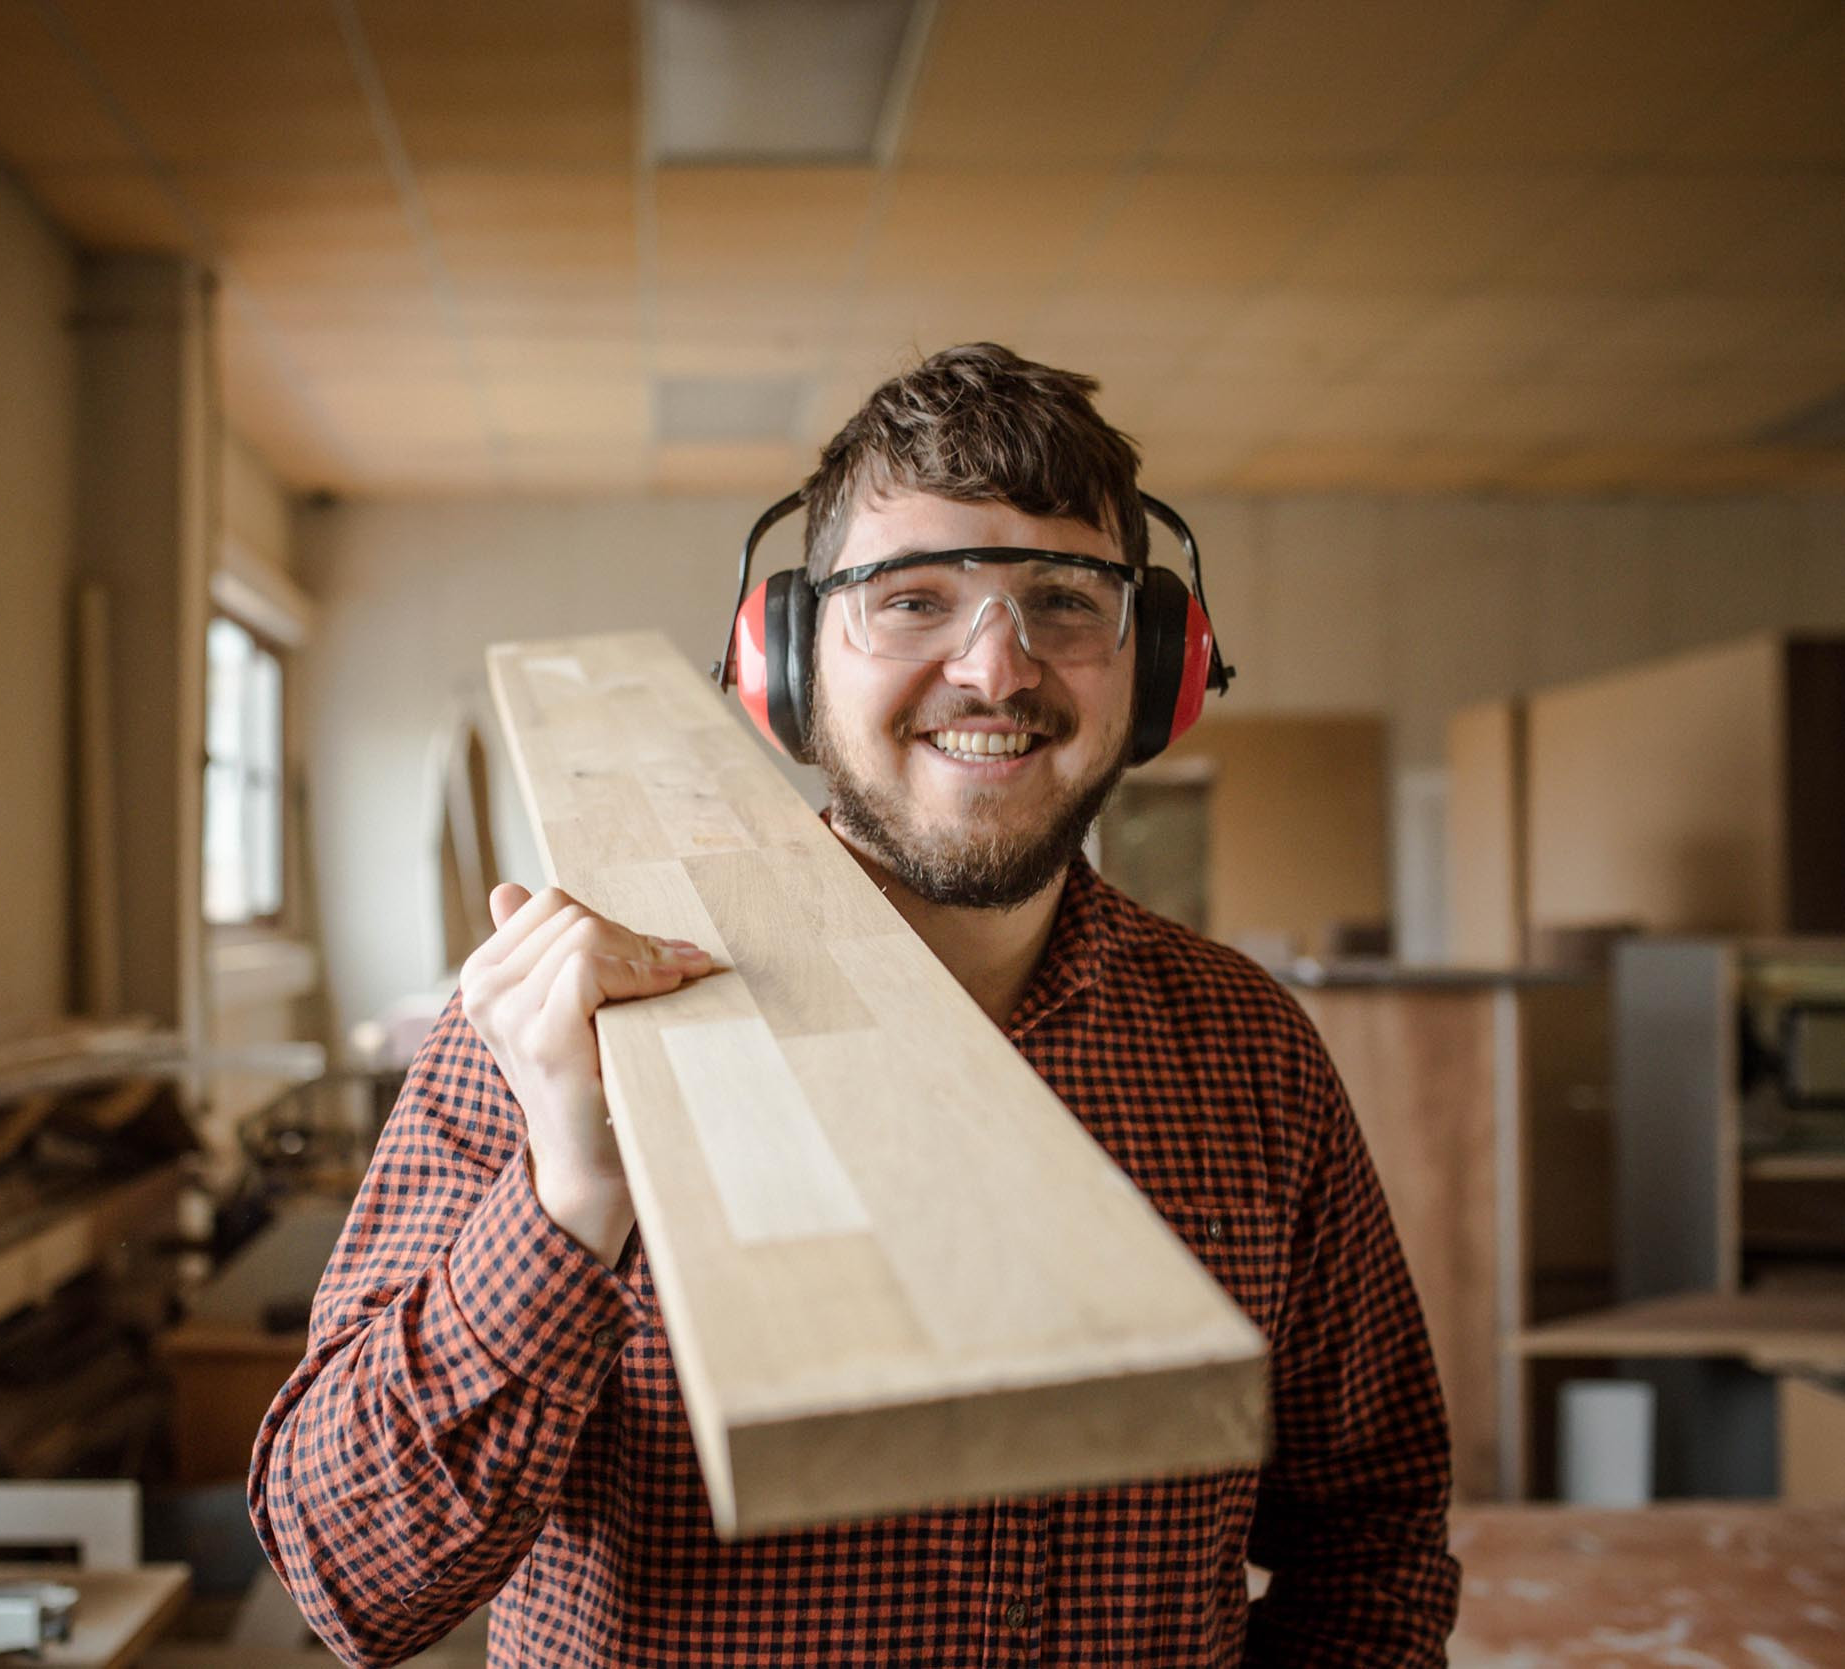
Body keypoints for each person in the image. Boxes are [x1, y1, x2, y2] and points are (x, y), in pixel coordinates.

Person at [248, 343, 1460, 1666]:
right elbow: (344, 1579)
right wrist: (563, 1198)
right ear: (788, 664)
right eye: (914, 597)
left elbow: (1374, 1538)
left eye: (1064, 599)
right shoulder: (564, 1021)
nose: (997, 669)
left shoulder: (1245, 1049)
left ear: (1157, 663)